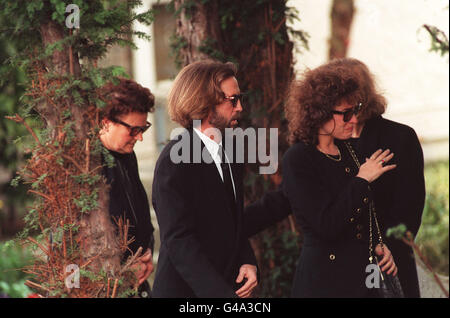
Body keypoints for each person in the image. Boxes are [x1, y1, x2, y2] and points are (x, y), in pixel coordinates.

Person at [281, 62, 399, 297]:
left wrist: (378, 244)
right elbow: (326, 225)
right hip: (325, 283)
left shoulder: (348, 150)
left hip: (363, 280)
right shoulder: (299, 158)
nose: (353, 119)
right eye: (345, 114)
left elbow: (362, 214)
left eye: (354, 110)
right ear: (319, 113)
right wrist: (362, 179)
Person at [151, 60, 258, 298]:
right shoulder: (174, 161)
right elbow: (179, 241)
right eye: (233, 100)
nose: (240, 107)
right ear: (205, 103)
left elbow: (234, 221)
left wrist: (247, 261)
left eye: (240, 99)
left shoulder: (231, 148)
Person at [327, 58, 425, 297]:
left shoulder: (400, 137)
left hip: (389, 258)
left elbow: (410, 206)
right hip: (343, 261)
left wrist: (387, 247)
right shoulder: (330, 142)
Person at [99, 78, 156, 298]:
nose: (140, 137)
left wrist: (146, 251)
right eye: (133, 130)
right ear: (106, 122)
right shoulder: (85, 165)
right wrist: (119, 269)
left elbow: (140, 211)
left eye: (143, 129)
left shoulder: (126, 154)